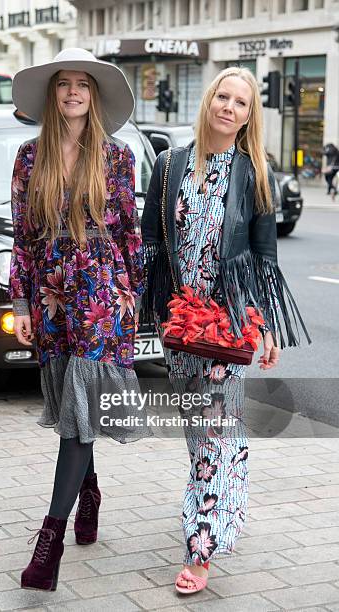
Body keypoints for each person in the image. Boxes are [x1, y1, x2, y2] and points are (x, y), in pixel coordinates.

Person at [141, 66, 310, 595]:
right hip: (180, 322)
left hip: (228, 320)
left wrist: (269, 329)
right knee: (199, 429)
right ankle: (216, 507)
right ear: (209, 100)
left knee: (216, 428)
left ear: (248, 116)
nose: (229, 107)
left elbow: (263, 257)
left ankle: (203, 546)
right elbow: (151, 243)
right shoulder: (168, 166)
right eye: (223, 96)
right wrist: (147, 313)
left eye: (241, 102)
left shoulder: (252, 172)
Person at [9, 48, 145, 591]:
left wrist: (135, 298)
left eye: (82, 85)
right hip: (52, 297)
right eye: (63, 84)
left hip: (102, 297)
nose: (72, 93)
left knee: (79, 408)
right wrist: (21, 304)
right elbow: (21, 237)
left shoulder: (115, 158)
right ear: (52, 94)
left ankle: (50, 541)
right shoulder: (26, 157)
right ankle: (87, 490)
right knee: (72, 401)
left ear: (94, 95)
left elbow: (131, 233)